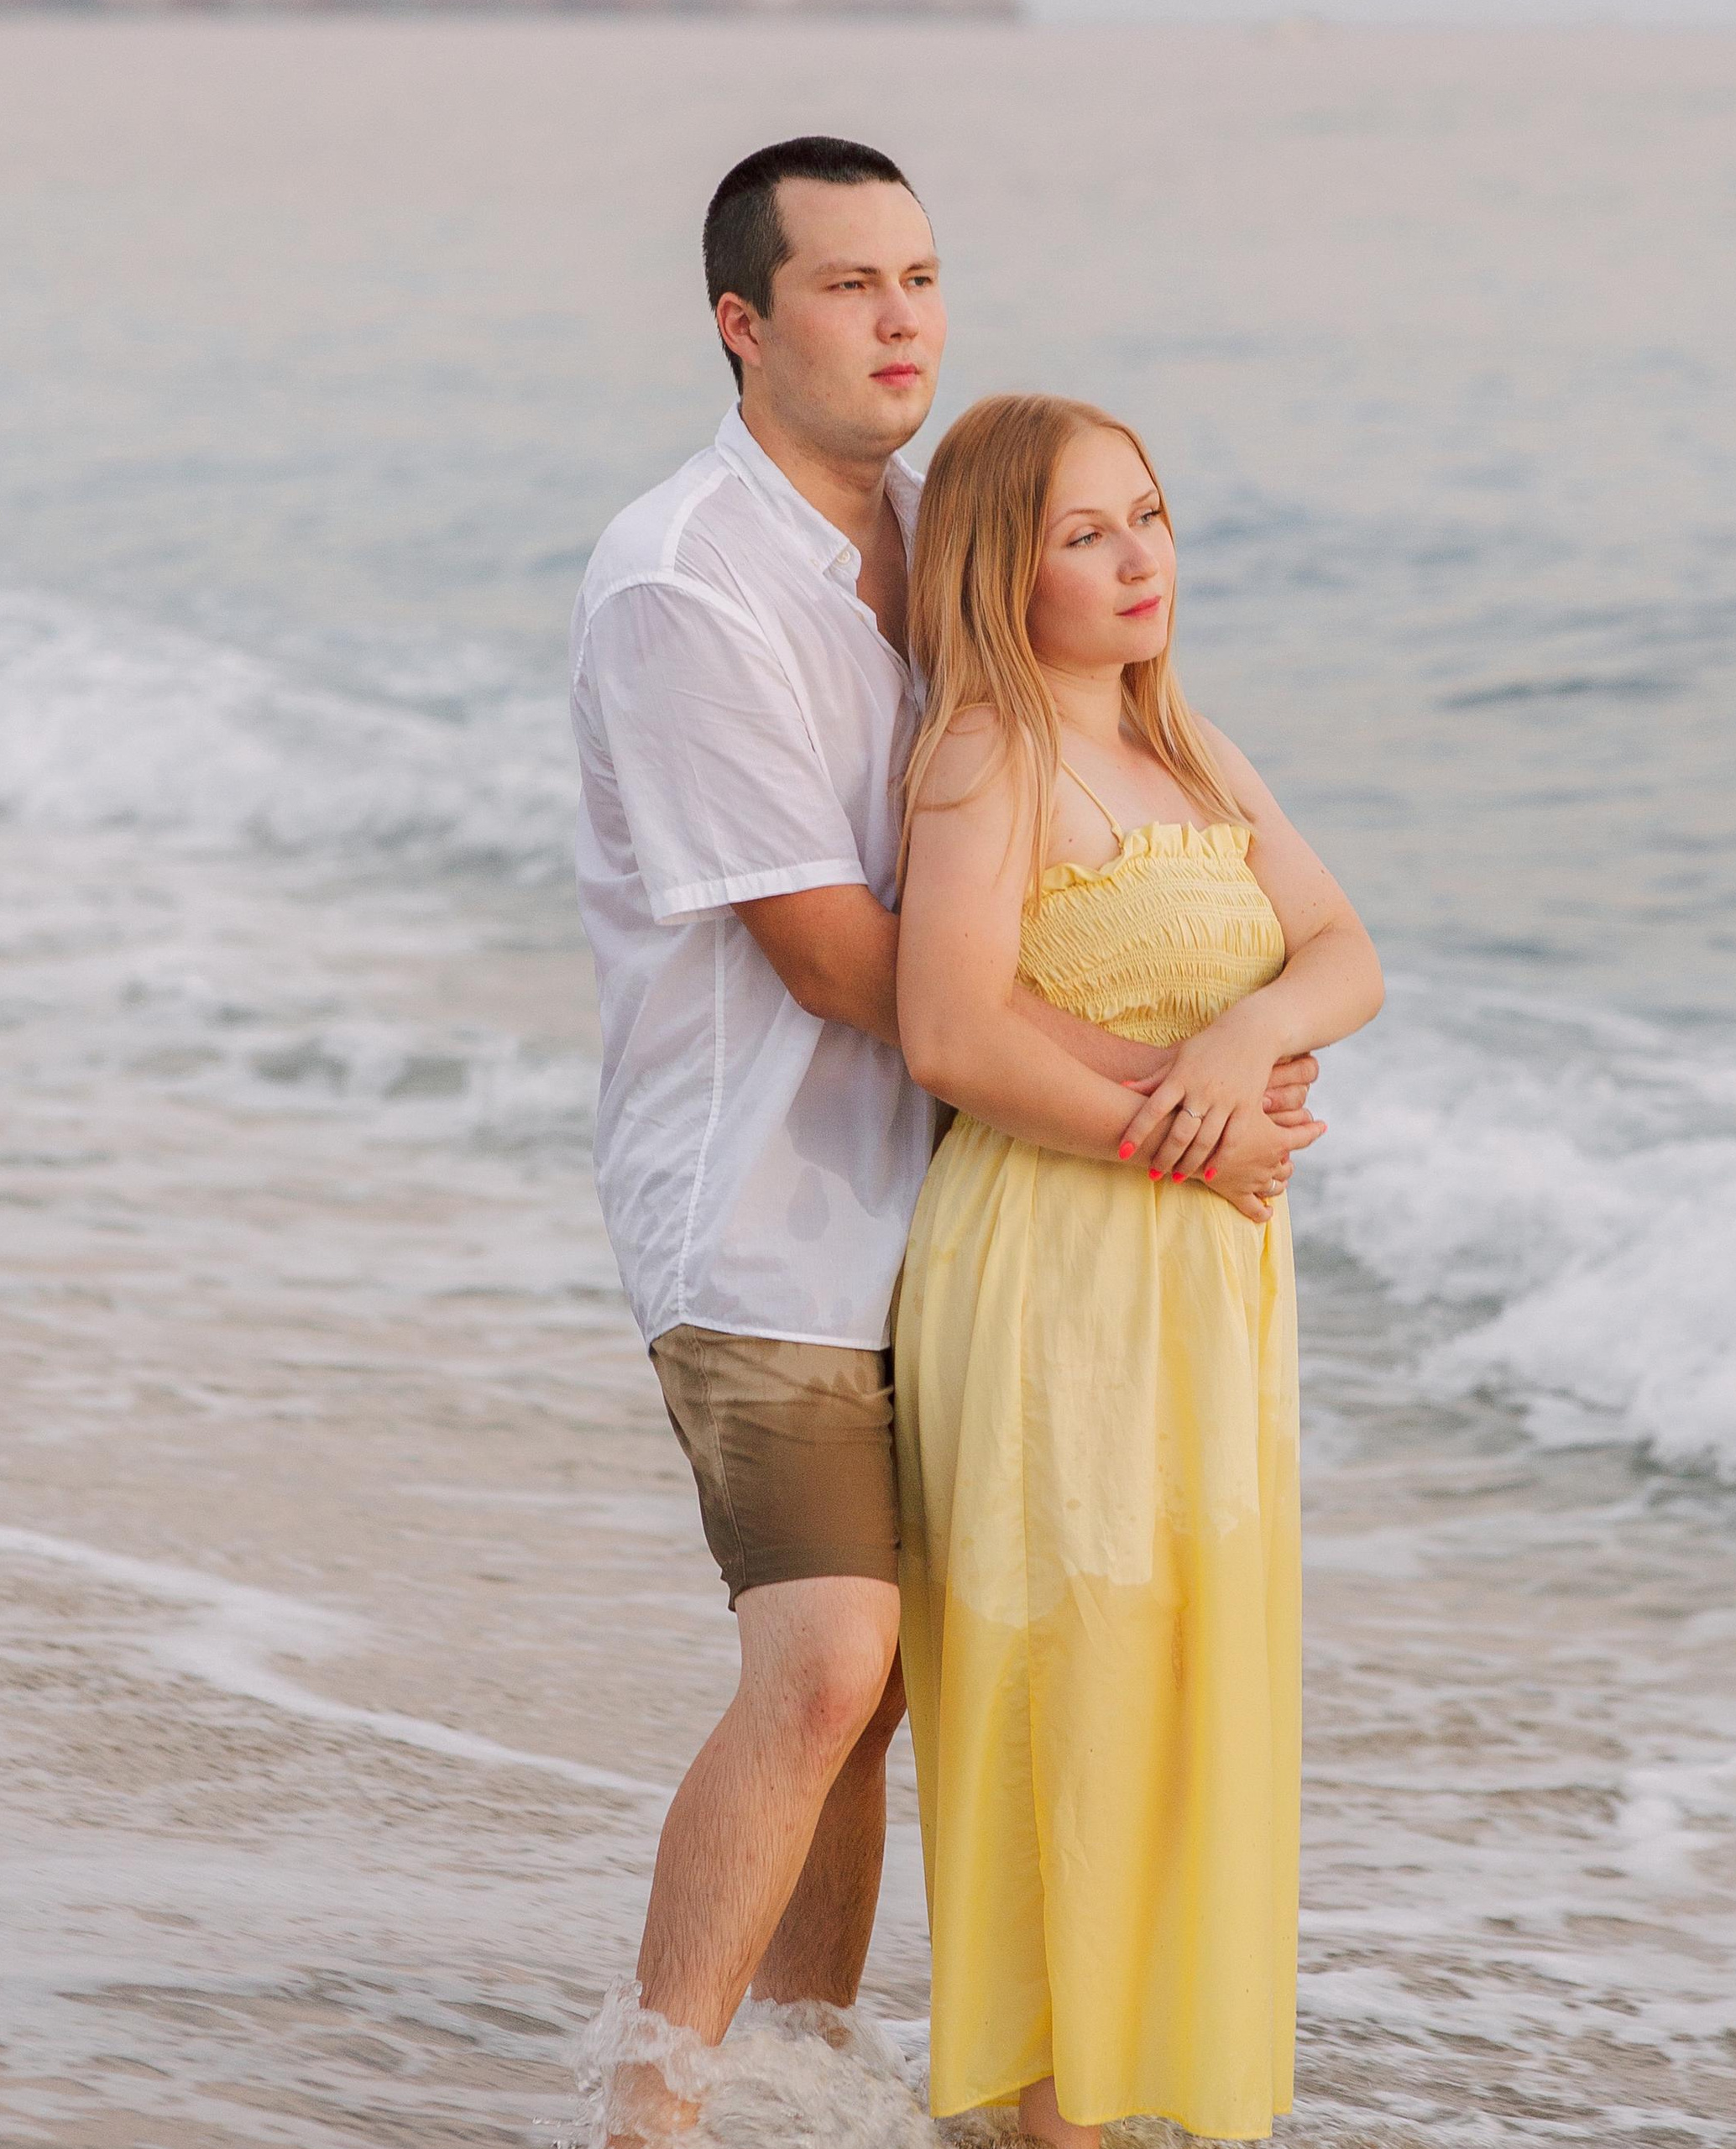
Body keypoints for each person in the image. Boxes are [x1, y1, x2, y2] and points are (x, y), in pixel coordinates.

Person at [567, 143, 1326, 2138]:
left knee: (900, 1683)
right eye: (844, 287)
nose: (900, 319)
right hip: (765, 1210)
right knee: (826, 1664)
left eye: (918, 276)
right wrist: (1168, 1100)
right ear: (740, 326)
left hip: (974, 1214)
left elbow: (1118, 815)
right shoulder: (684, 582)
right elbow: (846, 967)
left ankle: (806, 2072)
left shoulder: (954, 532)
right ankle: (651, 2103)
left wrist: (1213, 1043)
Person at [893, 394, 1384, 2146]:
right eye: (1084, 532)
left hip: (1206, 1293)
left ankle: (1139, 2098)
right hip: (1057, 1276)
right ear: (992, 566)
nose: (1136, 558)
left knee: (1181, 1678)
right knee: (1068, 1683)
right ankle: (1046, 2118)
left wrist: (1245, 1033)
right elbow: (944, 1026)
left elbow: (1343, 951)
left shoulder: (1188, 746)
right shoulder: (985, 756)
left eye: (1150, 517)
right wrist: (1181, 1130)